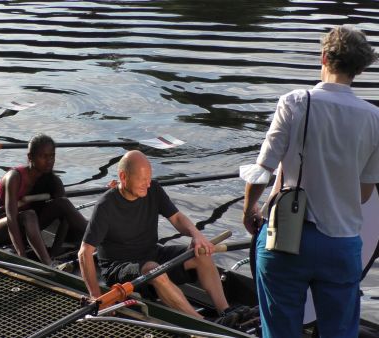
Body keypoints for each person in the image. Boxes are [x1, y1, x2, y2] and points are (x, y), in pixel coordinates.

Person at [242, 25, 379, 338]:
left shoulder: (295, 102)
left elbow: (263, 170)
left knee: (279, 331)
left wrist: (250, 209)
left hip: (287, 237)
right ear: (359, 69)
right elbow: (364, 193)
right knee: (340, 331)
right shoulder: (374, 118)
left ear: (323, 58)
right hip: (341, 244)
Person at [79, 150, 235, 323]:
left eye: (149, 178)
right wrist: (96, 297)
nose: (147, 184)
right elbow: (84, 253)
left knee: (202, 253)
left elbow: (176, 218)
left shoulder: (153, 189)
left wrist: (196, 235)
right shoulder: (105, 206)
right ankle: (204, 322)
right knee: (155, 269)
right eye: (142, 179)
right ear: (123, 177)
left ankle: (225, 312)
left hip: (151, 254)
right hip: (119, 269)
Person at [0, 134, 87, 266]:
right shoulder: (14, 177)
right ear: (30, 157)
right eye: (43, 156)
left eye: (52, 156)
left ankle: (102, 242)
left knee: (64, 203)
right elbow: (11, 218)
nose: (49, 160)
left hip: (28, 227)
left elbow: (66, 219)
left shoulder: (53, 181)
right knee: (29, 215)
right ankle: (48, 264)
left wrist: (55, 252)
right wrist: (21, 256)